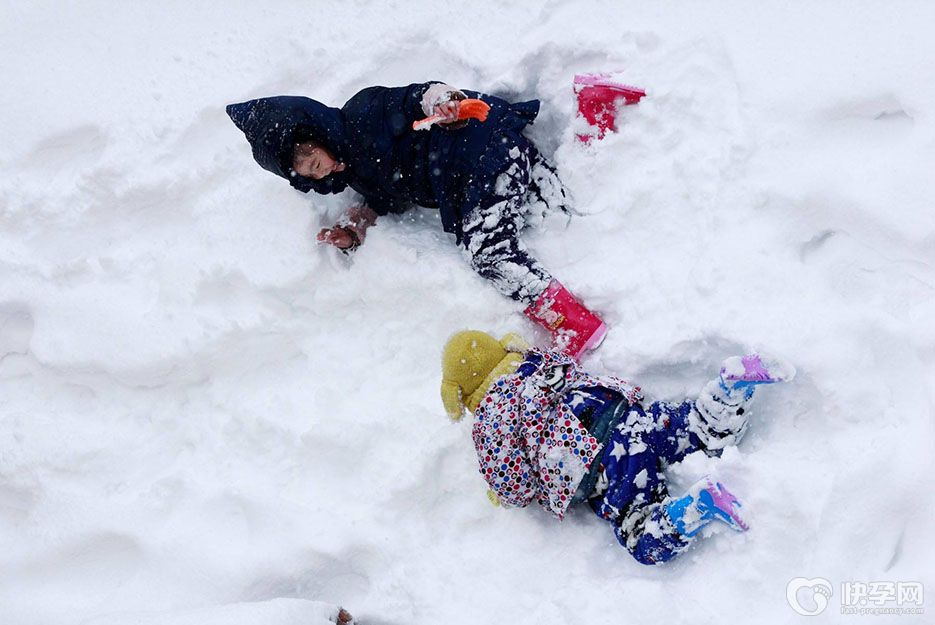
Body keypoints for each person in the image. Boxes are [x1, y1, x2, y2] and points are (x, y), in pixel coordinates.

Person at [226, 82, 605, 358]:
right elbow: (380, 195)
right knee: (554, 210)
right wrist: (353, 229)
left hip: (474, 149)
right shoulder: (354, 170)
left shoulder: (363, 112)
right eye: (309, 175)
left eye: (314, 162)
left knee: (488, 251)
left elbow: (414, 97)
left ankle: (577, 327)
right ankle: (597, 116)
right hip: (495, 151)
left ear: (318, 133)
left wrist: (444, 101)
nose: (319, 173)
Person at [440, 330, 795, 565]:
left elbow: (516, 485)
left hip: (599, 463)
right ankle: (730, 385)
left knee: (640, 532)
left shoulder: (491, 418)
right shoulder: (536, 362)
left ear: (463, 396)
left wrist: (501, 494)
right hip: (625, 415)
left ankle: (700, 505)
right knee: (696, 429)